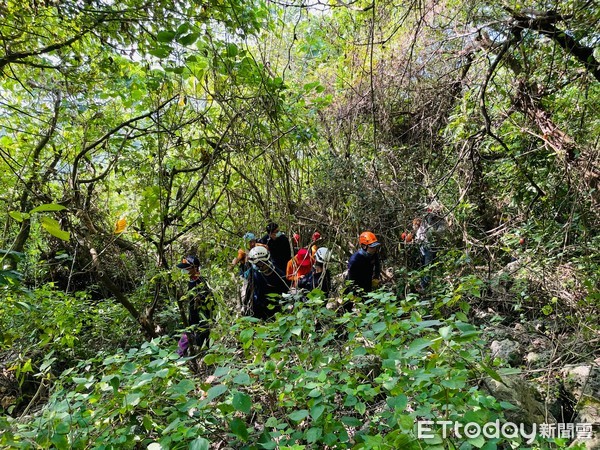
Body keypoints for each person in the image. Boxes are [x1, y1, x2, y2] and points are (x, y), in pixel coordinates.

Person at [176, 255, 213, 356]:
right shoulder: (191, 281)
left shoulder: (201, 282)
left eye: (186, 268)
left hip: (201, 323)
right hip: (192, 322)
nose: (184, 271)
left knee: (202, 348)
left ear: (194, 268)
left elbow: (209, 304)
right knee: (182, 346)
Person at [244, 246, 289, 320]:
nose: (255, 266)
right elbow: (249, 289)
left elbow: (285, 292)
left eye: (257, 264)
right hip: (257, 308)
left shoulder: (279, 274)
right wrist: (245, 305)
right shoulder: (253, 272)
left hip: (273, 309)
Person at [345, 231, 381, 301]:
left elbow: (377, 265)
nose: (374, 249)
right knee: (348, 306)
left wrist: (376, 277)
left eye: (375, 247)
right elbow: (351, 278)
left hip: (367, 284)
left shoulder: (373, 254)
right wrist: (352, 291)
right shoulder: (355, 260)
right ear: (364, 246)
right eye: (372, 247)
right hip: (355, 285)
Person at [413, 217, 436, 290]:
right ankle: (422, 284)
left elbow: (424, 238)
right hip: (423, 250)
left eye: (414, 225)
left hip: (428, 249)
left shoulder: (423, 228)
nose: (413, 227)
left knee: (427, 266)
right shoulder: (419, 230)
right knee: (423, 267)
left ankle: (425, 286)